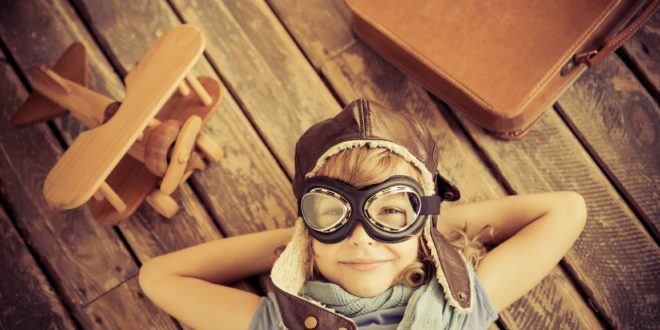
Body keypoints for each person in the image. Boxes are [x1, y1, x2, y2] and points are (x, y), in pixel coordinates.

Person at [139, 99, 587, 329]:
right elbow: (157, 278)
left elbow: (565, 210)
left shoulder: (456, 307)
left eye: (391, 211)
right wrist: (305, 235)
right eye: (332, 213)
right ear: (306, 228)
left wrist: (423, 223)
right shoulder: (286, 322)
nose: (360, 236)